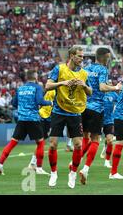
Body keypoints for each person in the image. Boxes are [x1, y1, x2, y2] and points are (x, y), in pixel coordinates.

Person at [45, 46, 92, 189]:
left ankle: (73, 172)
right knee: (52, 144)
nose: (81, 59)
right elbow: (47, 86)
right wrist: (62, 83)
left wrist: (84, 86)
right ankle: (53, 173)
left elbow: (90, 92)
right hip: (58, 112)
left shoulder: (84, 74)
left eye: (83, 57)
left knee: (78, 145)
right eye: (79, 56)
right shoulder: (59, 69)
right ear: (71, 56)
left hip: (75, 113)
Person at [0, 70, 52, 175]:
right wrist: (50, 102)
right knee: (40, 142)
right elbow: (40, 101)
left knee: (12, 143)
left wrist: (23, 107)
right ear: (35, 77)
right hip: (33, 119)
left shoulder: (20, 88)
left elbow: (14, 103)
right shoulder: (37, 87)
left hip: (21, 119)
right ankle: (38, 168)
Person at [78, 48, 122, 185]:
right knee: (95, 139)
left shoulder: (85, 69)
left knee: (85, 138)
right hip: (97, 108)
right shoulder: (103, 69)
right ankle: (85, 169)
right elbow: (103, 87)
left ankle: (74, 165)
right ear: (103, 57)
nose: (108, 59)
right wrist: (115, 88)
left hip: (83, 107)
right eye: (108, 57)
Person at [28, 89, 55, 171]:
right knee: (42, 142)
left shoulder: (50, 90)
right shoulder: (55, 91)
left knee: (42, 142)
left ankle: (33, 163)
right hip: (45, 117)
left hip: (45, 117)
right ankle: (34, 165)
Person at [100, 88, 119, 168]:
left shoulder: (113, 94)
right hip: (98, 119)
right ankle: (81, 158)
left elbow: (120, 102)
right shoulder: (98, 93)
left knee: (110, 141)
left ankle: (107, 161)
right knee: (92, 141)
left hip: (109, 121)